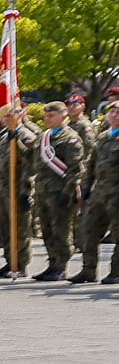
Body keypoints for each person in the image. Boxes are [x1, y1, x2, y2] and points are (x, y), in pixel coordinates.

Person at [71, 98, 119, 283]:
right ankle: (88, 270)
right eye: (112, 112)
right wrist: (85, 189)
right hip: (98, 193)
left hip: (118, 192)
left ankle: (117, 273)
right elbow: (90, 165)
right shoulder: (102, 137)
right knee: (89, 232)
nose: (115, 114)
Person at [29, 102, 85, 280]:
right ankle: (52, 263)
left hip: (60, 190)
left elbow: (76, 169)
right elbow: (32, 160)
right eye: (46, 115)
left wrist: (67, 193)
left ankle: (61, 266)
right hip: (43, 190)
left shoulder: (70, 137)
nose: (47, 118)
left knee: (61, 229)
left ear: (63, 116)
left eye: (51, 115)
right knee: (46, 229)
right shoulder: (43, 137)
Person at [1, 102, 37, 277]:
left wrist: (26, 192)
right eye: (5, 115)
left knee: (20, 228)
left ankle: (21, 264)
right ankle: (10, 260)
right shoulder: (4, 135)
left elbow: (31, 164)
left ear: (21, 114)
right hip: (4, 187)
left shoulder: (26, 135)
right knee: (6, 227)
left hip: (18, 187)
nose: (7, 118)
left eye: (11, 115)